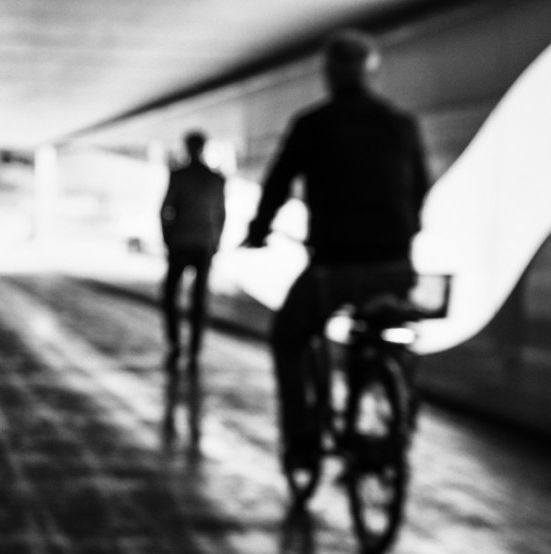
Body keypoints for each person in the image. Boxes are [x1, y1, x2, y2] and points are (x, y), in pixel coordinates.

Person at [241, 30, 429, 464]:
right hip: (395, 263)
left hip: (334, 265)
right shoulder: (401, 123)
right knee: (382, 326)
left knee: (288, 337)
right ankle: (395, 401)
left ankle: (302, 438)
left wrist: (258, 230)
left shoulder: (313, 124)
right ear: (370, 72)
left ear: (328, 73)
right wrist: (404, 232)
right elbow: (420, 187)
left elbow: (278, 183)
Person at [160, 130, 227, 372]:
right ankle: (195, 349)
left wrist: (167, 239)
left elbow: (165, 210)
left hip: (180, 243)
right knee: (199, 299)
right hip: (204, 244)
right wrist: (216, 241)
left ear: (187, 148)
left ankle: (175, 343)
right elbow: (221, 213)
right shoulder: (216, 178)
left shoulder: (178, 176)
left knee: (170, 294)